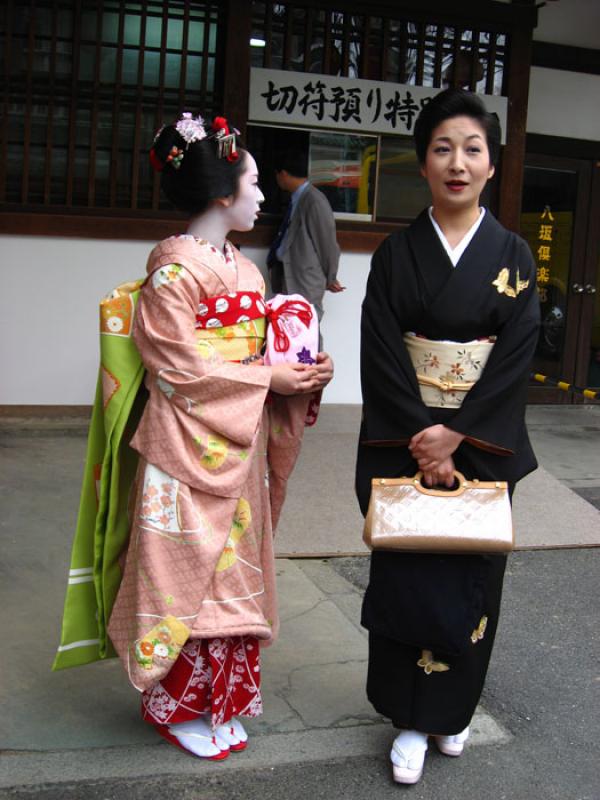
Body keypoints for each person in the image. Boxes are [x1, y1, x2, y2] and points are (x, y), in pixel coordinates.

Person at [58, 113, 333, 760]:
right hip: (183, 448)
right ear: (221, 192)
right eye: (254, 182)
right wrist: (268, 377)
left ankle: (223, 703)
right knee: (185, 578)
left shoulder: (246, 270)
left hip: (237, 448)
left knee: (233, 575)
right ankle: (178, 708)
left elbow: (266, 352)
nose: (263, 195)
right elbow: (174, 366)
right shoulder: (173, 272)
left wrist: (301, 368)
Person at [356, 89, 540, 784]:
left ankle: (452, 712)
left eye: (471, 149)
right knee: (408, 574)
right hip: (407, 439)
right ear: (423, 163)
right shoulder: (398, 254)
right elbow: (381, 351)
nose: (457, 163)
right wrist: (422, 436)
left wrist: (458, 434)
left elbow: (518, 357)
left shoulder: (514, 255)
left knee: (472, 577)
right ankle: (408, 720)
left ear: (492, 164)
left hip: (478, 444)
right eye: (442, 149)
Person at [267, 150, 345, 331]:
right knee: (288, 331)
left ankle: (317, 360)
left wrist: (331, 276)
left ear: (283, 174)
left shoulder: (314, 200)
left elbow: (327, 244)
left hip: (305, 280)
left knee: (307, 330)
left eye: (277, 175)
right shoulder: (298, 197)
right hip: (289, 275)